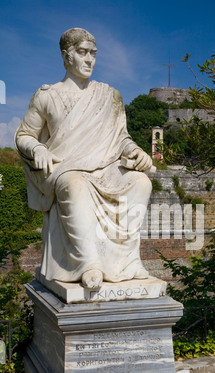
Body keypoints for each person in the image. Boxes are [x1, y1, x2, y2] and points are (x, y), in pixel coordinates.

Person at [15, 28, 153, 289]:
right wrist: (38, 149)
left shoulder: (109, 96)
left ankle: (127, 261)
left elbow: (121, 139)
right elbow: (24, 135)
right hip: (65, 169)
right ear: (67, 56)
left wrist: (135, 152)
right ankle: (88, 264)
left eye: (93, 54)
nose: (90, 59)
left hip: (105, 168)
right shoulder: (47, 96)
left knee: (141, 182)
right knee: (74, 184)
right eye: (82, 53)